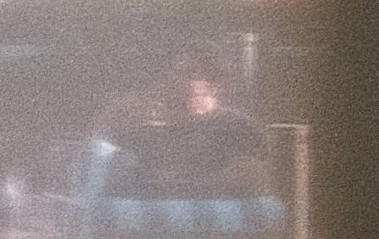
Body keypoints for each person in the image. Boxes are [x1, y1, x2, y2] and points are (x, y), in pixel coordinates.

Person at [107, 55, 273, 201]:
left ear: (213, 89)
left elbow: (251, 174)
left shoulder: (235, 125)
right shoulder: (158, 127)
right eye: (175, 76)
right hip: (161, 192)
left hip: (204, 197)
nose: (177, 83)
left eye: (190, 75)